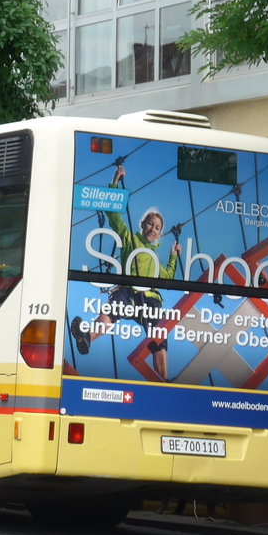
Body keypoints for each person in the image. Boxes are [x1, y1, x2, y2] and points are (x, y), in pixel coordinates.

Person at [71, 163, 180, 381]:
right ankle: (87, 337)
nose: (153, 229)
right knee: (111, 308)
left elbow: (168, 277)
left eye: (157, 228)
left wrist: (173, 256)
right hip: (128, 290)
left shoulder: (155, 259)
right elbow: (114, 217)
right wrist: (115, 181)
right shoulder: (129, 238)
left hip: (149, 298)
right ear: (142, 225)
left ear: (160, 234)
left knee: (159, 334)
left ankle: (164, 380)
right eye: (150, 224)